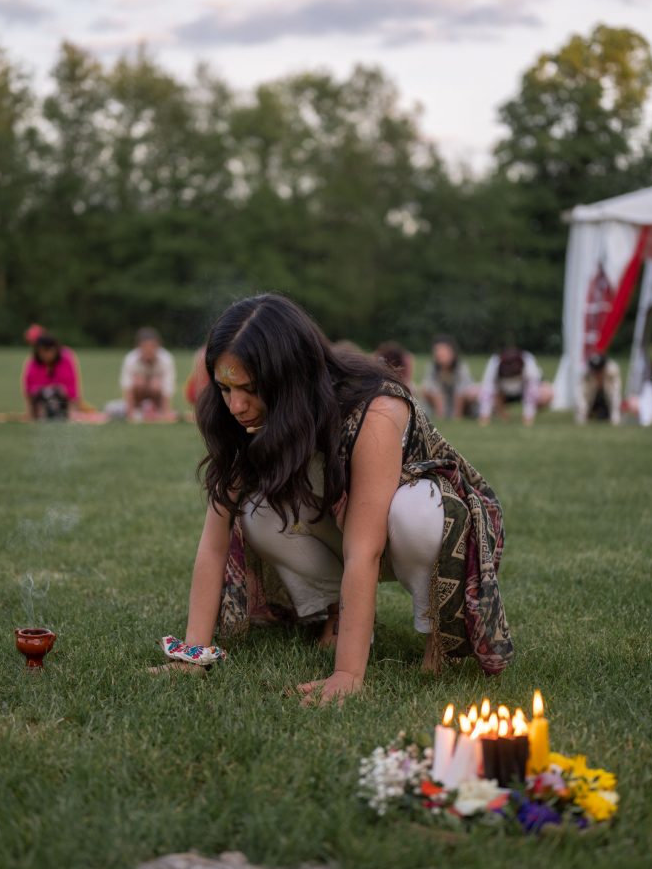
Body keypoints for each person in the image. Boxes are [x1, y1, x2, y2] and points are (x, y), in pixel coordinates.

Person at [160, 294, 513, 703]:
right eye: (224, 388)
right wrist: (192, 655)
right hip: (340, 521)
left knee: (413, 513)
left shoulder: (375, 408)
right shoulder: (238, 416)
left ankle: (439, 627)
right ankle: (337, 611)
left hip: (424, 527)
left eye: (251, 389)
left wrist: (347, 674)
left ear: (290, 378)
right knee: (258, 513)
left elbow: (365, 547)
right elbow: (215, 538)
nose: (236, 405)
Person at [479, 348, 553, 426]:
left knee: (546, 393)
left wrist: (528, 417)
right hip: (502, 393)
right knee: (485, 393)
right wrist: (484, 416)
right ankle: (500, 413)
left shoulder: (528, 363)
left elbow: (532, 391)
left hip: (523, 390)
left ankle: (533, 411)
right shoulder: (494, 363)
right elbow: (487, 390)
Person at [120, 328, 176, 421]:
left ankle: (158, 409)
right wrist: (130, 414)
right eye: (145, 346)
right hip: (138, 395)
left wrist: (167, 413)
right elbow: (127, 386)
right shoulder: (130, 359)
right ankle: (137, 409)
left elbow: (168, 387)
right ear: (138, 347)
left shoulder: (166, 359)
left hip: (157, 395)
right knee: (139, 381)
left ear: (158, 346)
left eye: (152, 346)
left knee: (156, 383)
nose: (149, 350)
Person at [22, 333, 81, 420]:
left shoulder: (65, 360)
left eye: (48, 351)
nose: (45, 355)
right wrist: (30, 414)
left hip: (61, 401)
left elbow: (72, 390)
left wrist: (73, 414)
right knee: (43, 393)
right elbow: (29, 390)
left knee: (56, 392)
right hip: (40, 402)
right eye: (42, 352)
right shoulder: (33, 363)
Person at [421, 335, 478, 419]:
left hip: (461, 404)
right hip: (441, 402)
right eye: (437, 350)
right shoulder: (432, 368)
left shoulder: (460, 367)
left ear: (452, 352)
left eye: (443, 351)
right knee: (427, 389)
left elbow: (463, 389)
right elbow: (429, 386)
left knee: (469, 392)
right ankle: (441, 415)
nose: (440, 353)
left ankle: (457, 416)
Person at [576, 353, 622, 425]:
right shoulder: (585, 373)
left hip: (605, 398)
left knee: (604, 414)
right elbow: (581, 394)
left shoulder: (613, 371)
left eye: (599, 370)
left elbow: (615, 394)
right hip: (593, 398)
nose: (597, 372)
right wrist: (582, 415)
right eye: (595, 370)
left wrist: (615, 417)